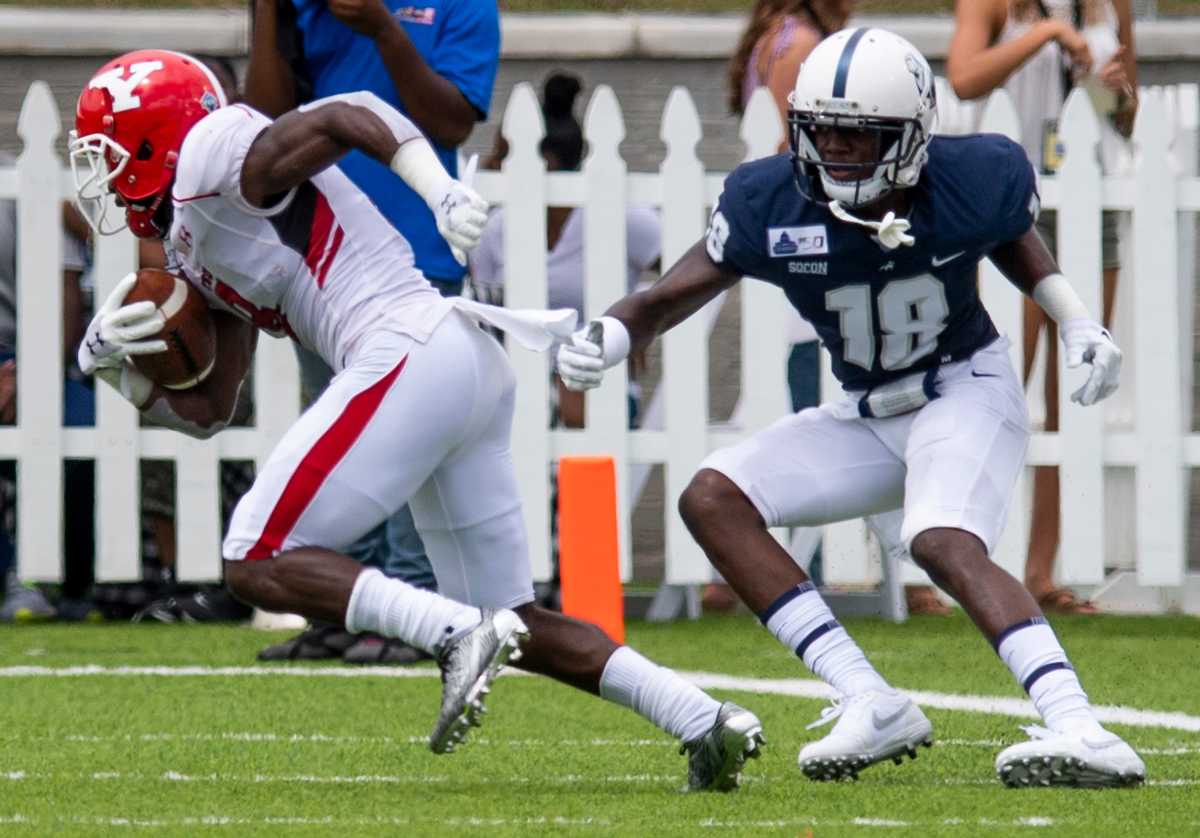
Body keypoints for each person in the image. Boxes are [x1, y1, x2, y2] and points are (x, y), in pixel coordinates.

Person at [70, 49, 765, 790]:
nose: (106, 180)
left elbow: (348, 113)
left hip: (408, 348)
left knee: (256, 555)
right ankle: (702, 718)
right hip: (455, 359)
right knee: (515, 616)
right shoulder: (189, 238)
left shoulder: (217, 154)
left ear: (157, 138)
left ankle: (455, 634)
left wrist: (437, 190)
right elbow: (213, 407)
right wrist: (123, 376)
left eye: (111, 157)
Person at [557, 28, 1144, 787]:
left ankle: (1079, 724)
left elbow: (1010, 237)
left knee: (938, 538)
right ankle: (870, 698)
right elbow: (671, 291)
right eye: (821, 128)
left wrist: (1075, 320)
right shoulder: (769, 200)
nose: (833, 148)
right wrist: (610, 332)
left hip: (962, 388)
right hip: (868, 411)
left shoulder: (973, 176)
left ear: (908, 139)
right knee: (713, 497)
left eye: (856, 134)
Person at [244, 0, 501, 662]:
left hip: (417, 250)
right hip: (318, 255)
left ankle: (409, 610)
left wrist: (382, 27)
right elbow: (264, 124)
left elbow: (449, 120)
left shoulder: (463, 6)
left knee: (407, 436)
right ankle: (336, 610)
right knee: (334, 430)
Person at [721, 0, 951, 617]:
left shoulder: (779, 35)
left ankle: (877, 567)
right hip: (815, 251)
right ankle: (834, 570)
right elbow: (802, 157)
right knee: (832, 414)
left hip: (800, 252)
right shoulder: (800, 44)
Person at [947, 0, 1136, 613]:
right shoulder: (996, 4)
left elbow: (1127, 119)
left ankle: (1041, 570)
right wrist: (1050, 33)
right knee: (991, 384)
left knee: (1070, 393)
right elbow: (965, 76)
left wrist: (1118, 96)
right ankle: (957, 558)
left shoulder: (1111, 5)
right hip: (1013, 200)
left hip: (1091, 191)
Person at [470, 72, 662, 429]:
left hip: (600, 383)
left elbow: (690, 271)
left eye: (500, 155)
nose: (490, 164)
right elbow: (485, 315)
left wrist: (642, 322)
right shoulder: (497, 228)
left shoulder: (620, 217)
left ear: (546, 164)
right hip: (518, 390)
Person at [0, 164, 92, 622]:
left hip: (27, 357)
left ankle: (69, 584)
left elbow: (65, 296)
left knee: (83, 433)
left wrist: (28, 373)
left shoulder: (27, 188)